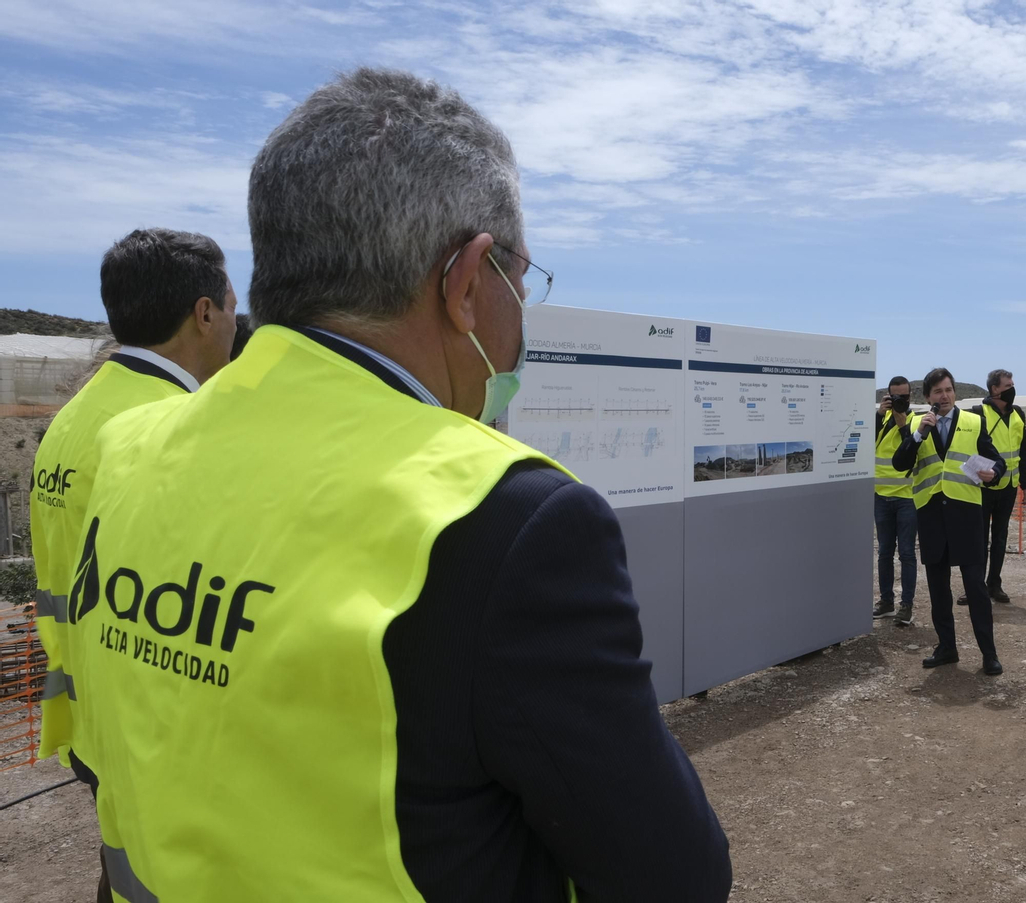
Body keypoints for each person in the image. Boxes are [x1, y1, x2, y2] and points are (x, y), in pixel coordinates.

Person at [64, 69, 730, 903]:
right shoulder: (505, 519)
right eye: (522, 283)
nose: (521, 315)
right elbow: (673, 876)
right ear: (465, 281)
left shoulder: (129, 447)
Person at [30, 227, 237, 903]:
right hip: (144, 728)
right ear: (204, 312)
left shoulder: (76, 416)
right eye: (231, 301)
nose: (236, 319)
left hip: (86, 717)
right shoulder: (172, 430)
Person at [892, 367, 1008, 675]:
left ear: (954, 392)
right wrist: (918, 435)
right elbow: (900, 463)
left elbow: (999, 462)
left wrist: (994, 473)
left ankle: (989, 653)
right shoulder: (917, 424)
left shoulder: (974, 422)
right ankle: (947, 648)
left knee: (976, 588)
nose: (944, 396)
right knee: (938, 589)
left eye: (948, 390)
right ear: (927, 397)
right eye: (937, 392)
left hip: (966, 515)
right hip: (931, 515)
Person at [957, 368, 1026, 606]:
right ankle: (975, 588)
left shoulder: (1018, 413)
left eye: (1012, 384)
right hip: (982, 487)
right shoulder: (978, 414)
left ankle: (994, 584)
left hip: (1009, 486)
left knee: (1000, 538)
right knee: (978, 540)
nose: (1012, 389)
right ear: (994, 389)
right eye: (1008, 386)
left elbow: (1023, 452)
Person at [873, 376, 918, 625]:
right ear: (888, 396)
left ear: (911, 396)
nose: (901, 400)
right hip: (881, 496)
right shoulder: (881, 419)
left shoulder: (916, 420)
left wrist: (902, 425)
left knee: (908, 554)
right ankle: (886, 602)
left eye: (905, 396)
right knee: (884, 553)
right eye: (895, 396)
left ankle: (907, 606)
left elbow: (913, 450)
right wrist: (879, 415)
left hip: (907, 498)